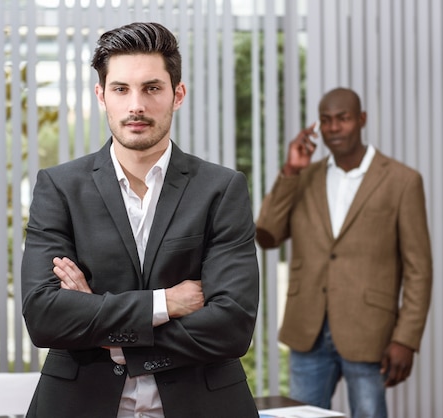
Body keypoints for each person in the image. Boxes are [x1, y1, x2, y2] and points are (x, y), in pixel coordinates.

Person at [20, 22, 259, 418]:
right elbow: (45, 316)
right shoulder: (59, 188)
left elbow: (232, 325)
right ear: (101, 96)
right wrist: (167, 302)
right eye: (121, 89)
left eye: (151, 88)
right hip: (80, 405)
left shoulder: (221, 189)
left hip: (202, 405)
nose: (136, 105)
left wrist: (104, 331)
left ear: (177, 94)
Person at [255, 87, 433, 418]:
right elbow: (267, 234)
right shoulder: (304, 177)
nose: (334, 128)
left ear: (361, 119)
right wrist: (290, 172)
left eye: (343, 119)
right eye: (326, 121)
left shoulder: (402, 181)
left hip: (369, 331)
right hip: (306, 328)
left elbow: (419, 269)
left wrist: (406, 338)